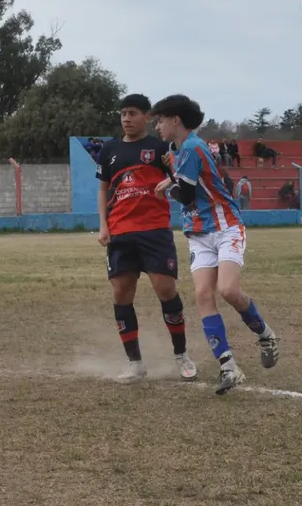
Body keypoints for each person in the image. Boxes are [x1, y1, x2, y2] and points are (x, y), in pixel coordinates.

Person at [152, 94, 279, 395]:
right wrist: (172, 181)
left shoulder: (193, 147)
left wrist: (168, 188)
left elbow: (184, 194)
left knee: (228, 290)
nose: (156, 126)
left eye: (159, 120)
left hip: (225, 227)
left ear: (176, 120)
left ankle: (266, 335)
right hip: (198, 231)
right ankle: (228, 366)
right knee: (203, 294)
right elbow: (185, 184)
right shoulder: (176, 149)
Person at [95, 94, 196, 384]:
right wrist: (103, 225)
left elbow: (181, 179)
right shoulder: (109, 150)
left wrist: (172, 170)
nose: (126, 119)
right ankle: (135, 363)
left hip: (154, 230)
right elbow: (103, 190)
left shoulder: (162, 148)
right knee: (121, 295)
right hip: (120, 232)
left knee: (165, 288)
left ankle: (181, 356)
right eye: (123, 113)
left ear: (147, 117)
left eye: (133, 113)